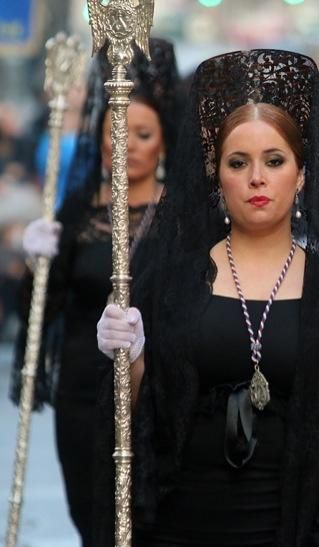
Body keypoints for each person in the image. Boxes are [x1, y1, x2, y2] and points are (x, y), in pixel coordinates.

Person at [94, 49, 319, 546]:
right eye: (239, 162)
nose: (257, 177)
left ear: (301, 174)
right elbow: (136, 417)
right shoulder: (171, 279)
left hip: (291, 528)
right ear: (217, 173)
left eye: (274, 161)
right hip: (179, 525)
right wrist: (128, 355)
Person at [10, 38, 180, 547]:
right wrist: (37, 261)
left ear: (164, 142)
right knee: (91, 521)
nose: (123, 143)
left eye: (140, 132)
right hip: (82, 392)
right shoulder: (80, 210)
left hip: (157, 392)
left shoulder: (183, 218)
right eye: (114, 132)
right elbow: (41, 307)